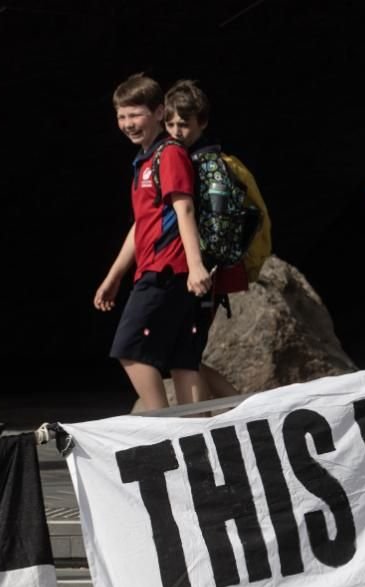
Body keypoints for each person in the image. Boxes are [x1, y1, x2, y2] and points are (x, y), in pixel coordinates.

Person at [94, 73, 212, 411]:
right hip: (160, 270)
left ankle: (163, 427)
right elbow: (142, 225)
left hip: (167, 271)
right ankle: (194, 435)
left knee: (128, 348)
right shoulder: (144, 160)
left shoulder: (169, 153)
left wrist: (195, 266)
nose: (128, 123)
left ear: (159, 113)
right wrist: (114, 276)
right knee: (182, 360)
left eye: (136, 114)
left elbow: (184, 207)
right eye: (122, 115)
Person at [163, 79, 262, 400]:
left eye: (185, 124)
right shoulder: (188, 160)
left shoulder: (207, 167)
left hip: (203, 276)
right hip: (198, 275)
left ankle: (233, 413)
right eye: (171, 123)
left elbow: (217, 231)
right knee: (185, 355)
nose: (177, 131)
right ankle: (233, 413)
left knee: (184, 354)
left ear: (202, 123)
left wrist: (200, 266)